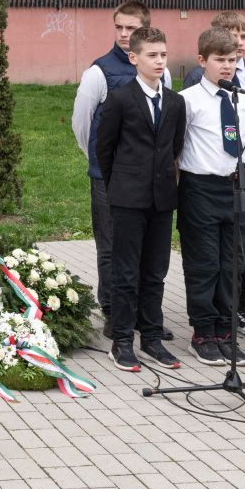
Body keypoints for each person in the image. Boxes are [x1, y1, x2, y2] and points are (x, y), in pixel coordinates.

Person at [72, 1, 174, 340]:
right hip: (108, 177)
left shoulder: (162, 70)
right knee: (112, 246)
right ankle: (114, 311)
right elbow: (83, 127)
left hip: (150, 181)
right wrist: (104, 165)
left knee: (147, 249)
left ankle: (146, 315)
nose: (124, 34)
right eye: (119, 27)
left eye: (131, 28)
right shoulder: (99, 72)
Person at [92, 26, 186, 372]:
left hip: (162, 199)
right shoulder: (120, 99)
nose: (159, 61)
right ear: (134, 58)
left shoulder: (175, 103)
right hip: (128, 198)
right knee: (126, 270)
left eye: (163, 54)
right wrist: (122, 184)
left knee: (155, 271)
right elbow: (105, 149)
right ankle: (121, 340)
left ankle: (151, 337)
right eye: (152, 55)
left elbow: (175, 147)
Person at [182, 10, 245, 340]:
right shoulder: (188, 100)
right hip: (201, 187)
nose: (227, 66)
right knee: (205, 263)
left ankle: (225, 327)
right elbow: (177, 148)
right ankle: (203, 331)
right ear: (202, 60)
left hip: (238, 186)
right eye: (220, 59)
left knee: (233, 263)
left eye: (232, 60)